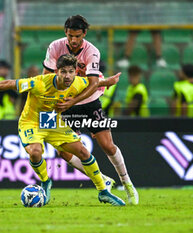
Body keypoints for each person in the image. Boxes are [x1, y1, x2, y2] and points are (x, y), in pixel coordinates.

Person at [0, 54, 125, 206]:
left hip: (51, 122)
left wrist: (108, 81)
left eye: (70, 72)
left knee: (83, 152)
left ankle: (103, 191)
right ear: (56, 71)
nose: (67, 76)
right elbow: (9, 83)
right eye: (63, 72)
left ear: (75, 72)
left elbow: (93, 83)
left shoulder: (77, 82)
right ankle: (46, 181)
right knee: (35, 152)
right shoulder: (39, 83)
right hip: (31, 122)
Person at [42, 15, 139, 205]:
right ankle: (103, 179)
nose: (73, 40)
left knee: (107, 145)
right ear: (65, 33)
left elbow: (93, 84)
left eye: (77, 36)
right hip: (66, 103)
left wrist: (74, 100)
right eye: (70, 36)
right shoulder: (55, 47)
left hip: (89, 101)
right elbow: (46, 76)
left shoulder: (91, 51)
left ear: (84, 34)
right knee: (64, 152)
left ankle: (127, 183)